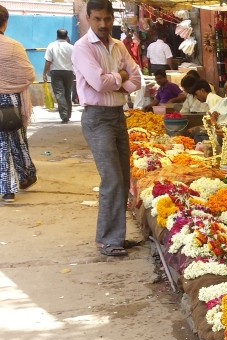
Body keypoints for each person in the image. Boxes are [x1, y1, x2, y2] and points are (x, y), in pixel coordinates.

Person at [73, 0, 143, 256]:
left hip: (117, 115)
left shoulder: (118, 46)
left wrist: (116, 79)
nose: (103, 24)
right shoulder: (82, 48)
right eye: (97, 19)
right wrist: (120, 77)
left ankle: (114, 237)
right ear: (89, 19)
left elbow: (137, 78)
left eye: (107, 19)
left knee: (123, 178)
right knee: (112, 179)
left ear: (112, 18)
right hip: (97, 118)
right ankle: (107, 241)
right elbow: (98, 83)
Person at [0, 6, 36, 202]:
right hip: (11, 102)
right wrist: (8, 84)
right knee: (16, 141)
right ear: (5, 22)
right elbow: (28, 75)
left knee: (1, 146)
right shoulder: (14, 46)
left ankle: (8, 188)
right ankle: (24, 177)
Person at [43, 29, 75, 124]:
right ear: (66, 37)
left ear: (57, 36)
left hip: (56, 72)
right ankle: (68, 115)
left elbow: (48, 61)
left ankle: (64, 116)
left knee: (59, 94)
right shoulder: (72, 47)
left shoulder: (51, 46)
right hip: (69, 72)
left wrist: (44, 73)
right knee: (67, 93)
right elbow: (75, 61)